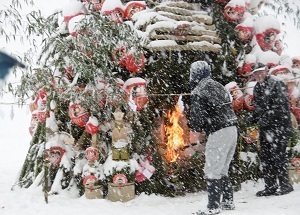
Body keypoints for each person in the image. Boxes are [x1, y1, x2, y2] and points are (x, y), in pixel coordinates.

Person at [189, 61, 238, 215]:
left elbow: (198, 118)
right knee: (222, 168)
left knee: (212, 170)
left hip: (219, 131)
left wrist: (197, 129)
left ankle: (213, 206)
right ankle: (228, 201)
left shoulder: (199, 89)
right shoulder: (219, 85)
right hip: (233, 129)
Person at [245, 65, 294, 196]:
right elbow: (259, 108)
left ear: (266, 71)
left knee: (278, 156)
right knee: (266, 157)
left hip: (280, 127)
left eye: (261, 72)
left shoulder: (276, 84)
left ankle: (285, 185)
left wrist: (265, 119)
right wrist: (252, 119)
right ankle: (270, 186)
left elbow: (281, 108)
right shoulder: (257, 87)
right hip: (266, 129)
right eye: (256, 73)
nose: (258, 75)